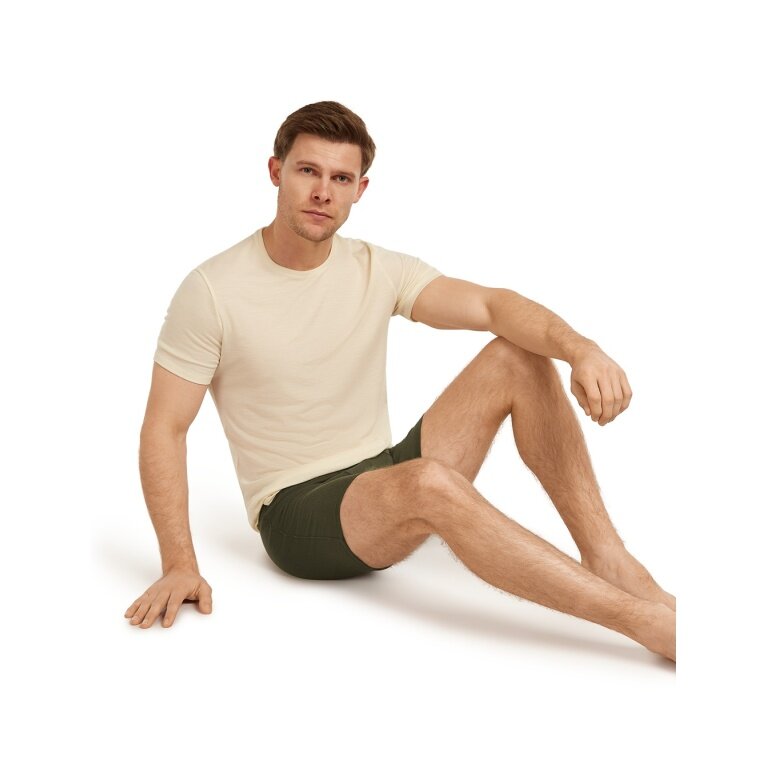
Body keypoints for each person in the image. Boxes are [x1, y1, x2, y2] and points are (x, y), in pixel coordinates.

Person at [125, 101, 676, 661]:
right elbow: (164, 428)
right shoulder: (212, 290)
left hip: (382, 471)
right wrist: (179, 564)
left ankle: (608, 558)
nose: (323, 192)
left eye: (341, 179)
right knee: (429, 482)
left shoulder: (375, 267)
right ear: (276, 171)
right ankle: (645, 624)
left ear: (360, 189)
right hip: (296, 509)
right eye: (308, 171)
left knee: (518, 355)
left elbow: (492, 306)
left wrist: (581, 349)